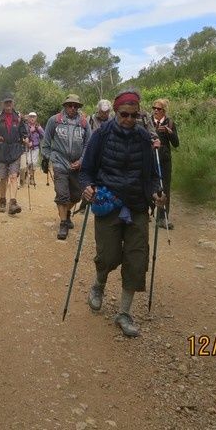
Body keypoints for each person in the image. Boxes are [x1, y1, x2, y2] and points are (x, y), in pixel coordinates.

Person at [79, 88, 164, 338]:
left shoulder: (142, 137)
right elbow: (86, 170)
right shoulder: (101, 135)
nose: (128, 120)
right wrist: (87, 187)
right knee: (108, 255)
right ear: (116, 113)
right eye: (124, 115)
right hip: (109, 202)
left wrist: (158, 191)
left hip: (137, 204)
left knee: (136, 260)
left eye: (133, 116)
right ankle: (98, 286)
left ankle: (124, 312)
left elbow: (152, 175)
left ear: (138, 115)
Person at [41, 94, 90, 240]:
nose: (73, 108)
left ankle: (67, 213)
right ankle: (63, 223)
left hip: (77, 165)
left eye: (76, 106)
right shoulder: (54, 120)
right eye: (70, 105)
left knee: (76, 195)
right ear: (65, 105)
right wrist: (49, 157)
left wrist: (81, 160)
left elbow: (88, 144)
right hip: (59, 162)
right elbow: (46, 141)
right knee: (62, 194)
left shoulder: (83, 123)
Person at [0, 96, 28, 214]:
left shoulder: (19, 117)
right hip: (1, 150)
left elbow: (24, 133)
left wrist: (25, 139)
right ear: (2, 103)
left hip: (15, 150)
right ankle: (2, 200)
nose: (8, 104)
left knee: (13, 176)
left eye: (10, 102)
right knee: (3, 178)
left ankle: (13, 202)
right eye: (6, 102)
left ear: (13, 103)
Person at [151, 98, 179, 229]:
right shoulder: (148, 122)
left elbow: (176, 144)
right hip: (150, 159)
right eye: (154, 108)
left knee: (165, 188)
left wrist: (169, 132)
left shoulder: (170, 123)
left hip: (165, 160)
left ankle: (163, 218)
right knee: (149, 185)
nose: (156, 111)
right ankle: (147, 213)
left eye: (159, 109)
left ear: (164, 111)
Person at [20, 112, 45, 188]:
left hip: (36, 148)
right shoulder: (25, 126)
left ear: (36, 118)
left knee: (33, 163)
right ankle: (26, 175)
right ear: (28, 118)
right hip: (27, 148)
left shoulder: (38, 127)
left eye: (34, 117)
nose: (32, 118)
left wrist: (39, 129)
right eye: (31, 117)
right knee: (28, 163)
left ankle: (32, 177)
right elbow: (22, 136)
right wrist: (26, 142)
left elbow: (44, 135)